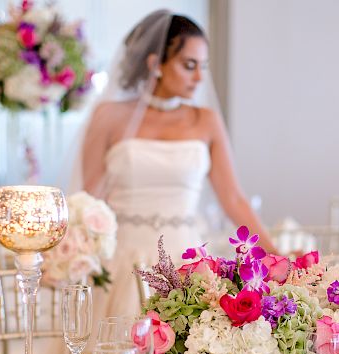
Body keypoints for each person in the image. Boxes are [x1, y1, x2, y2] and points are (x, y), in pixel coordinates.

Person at [79, 10, 276, 321]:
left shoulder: (206, 121)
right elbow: (90, 201)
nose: (199, 77)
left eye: (203, 67)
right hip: (122, 261)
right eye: (189, 66)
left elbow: (233, 198)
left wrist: (274, 254)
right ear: (155, 64)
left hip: (186, 260)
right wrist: (74, 258)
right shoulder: (109, 116)